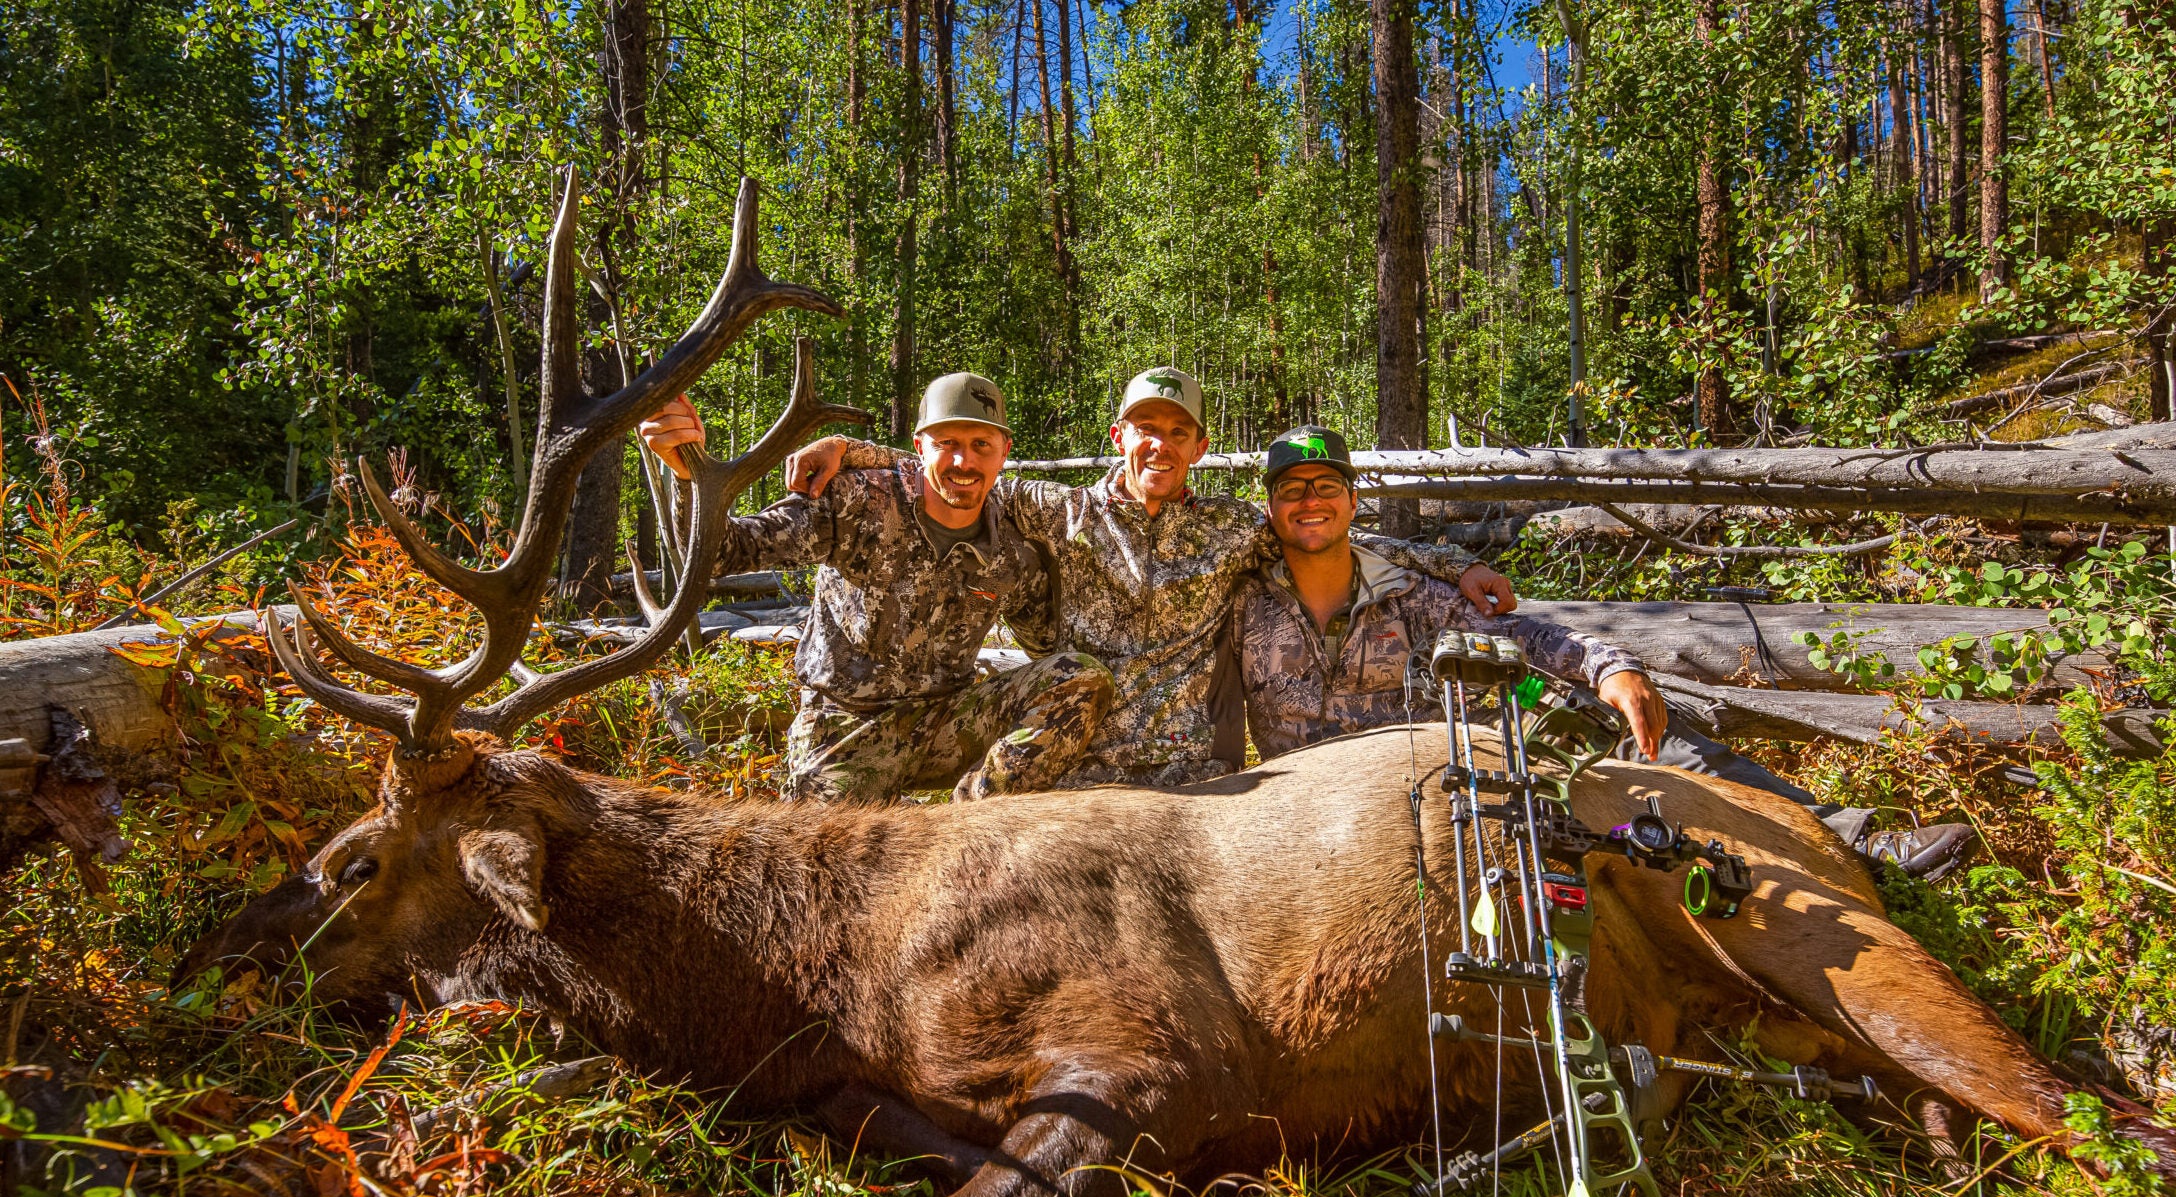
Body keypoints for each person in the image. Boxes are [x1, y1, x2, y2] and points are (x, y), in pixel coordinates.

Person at [1233, 424, 1976, 880]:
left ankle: (1854, 841)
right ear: (1269, 507)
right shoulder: (1239, 597)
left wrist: (1608, 665)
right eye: (1292, 489)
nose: (1310, 501)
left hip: (1435, 772)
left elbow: (1520, 636)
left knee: (1635, 729)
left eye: (1326, 484)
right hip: (1310, 816)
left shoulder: (1406, 591)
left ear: (1353, 499)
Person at [786, 366, 1519, 787]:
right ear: (1120, 437)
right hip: (1072, 769)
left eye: (1177, 432)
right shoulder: (1057, 511)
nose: (1159, 446)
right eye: (1146, 429)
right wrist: (853, 450)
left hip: (1186, 781)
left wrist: (1458, 563)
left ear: (1198, 445)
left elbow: (1323, 527)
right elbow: (956, 471)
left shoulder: (1231, 530)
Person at [638, 373, 1115, 802]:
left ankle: (972, 824)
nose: (962, 460)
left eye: (980, 444)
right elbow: (727, 552)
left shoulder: (1011, 552)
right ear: (919, 445)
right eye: (946, 442)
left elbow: (1049, 645)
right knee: (826, 868)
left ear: (1004, 450)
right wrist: (687, 474)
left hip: (946, 724)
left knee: (1079, 676)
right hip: (845, 728)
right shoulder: (856, 503)